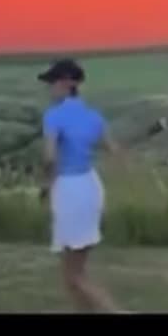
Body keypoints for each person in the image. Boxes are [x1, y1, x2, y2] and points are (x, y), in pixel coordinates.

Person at [37, 58, 123, 313]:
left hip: (70, 190)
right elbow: (114, 150)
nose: (49, 89)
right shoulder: (93, 116)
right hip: (90, 186)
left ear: (65, 83)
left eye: (52, 83)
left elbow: (50, 158)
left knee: (75, 275)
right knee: (72, 274)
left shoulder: (54, 116)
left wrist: (45, 186)